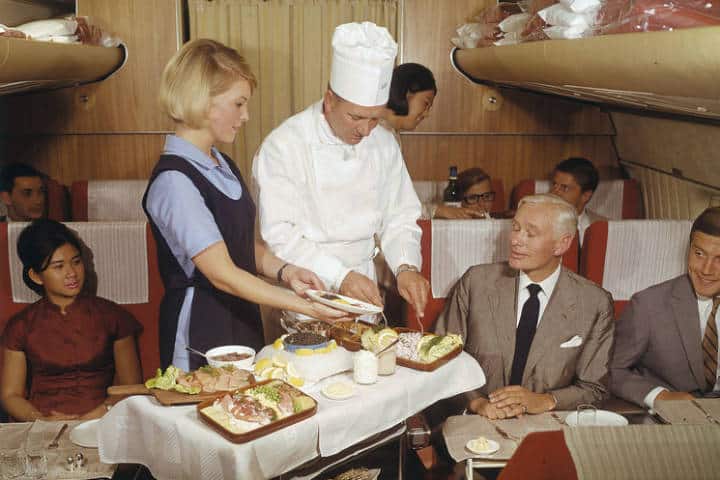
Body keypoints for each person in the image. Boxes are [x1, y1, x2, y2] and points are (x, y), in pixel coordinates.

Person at [143, 39, 347, 371]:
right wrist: (306, 306)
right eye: (238, 104)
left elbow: (236, 245)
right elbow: (222, 273)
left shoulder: (221, 163)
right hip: (200, 325)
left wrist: (286, 271)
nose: (246, 115)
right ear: (202, 100)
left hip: (240, 314)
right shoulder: (175, 181)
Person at [252, 22, 430, 320]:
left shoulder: (384, 144)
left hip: (364, 284)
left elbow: (399, 215)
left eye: (375, 118)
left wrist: (406, 266)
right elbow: (281, 235)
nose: (365, 130)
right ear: (330, 100)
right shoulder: (284, 145)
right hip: (306, 285)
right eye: (356, 117)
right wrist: (340, 276)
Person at [435, 194, 614, 418]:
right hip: (476, 419)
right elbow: (440, 357)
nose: (516, 240)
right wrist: (477, 403)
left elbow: (595, 389)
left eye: (531, 233)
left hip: (548, 422)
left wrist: (546, 401)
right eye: (516, 228)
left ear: (562, 243)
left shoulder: (594, 302)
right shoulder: (476, 282)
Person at [1, 220, 143, 421]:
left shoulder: (112, 316)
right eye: (58, 266)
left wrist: (103, 412)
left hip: (102, 421)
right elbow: (10, 395)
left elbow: (131, 386)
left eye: (76, 262)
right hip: (42, 424)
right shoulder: (21, 326)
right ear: (36, 276)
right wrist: (40, 419)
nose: (72, 273)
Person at [610, 207, 720, 408]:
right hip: (674, 419)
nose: (706, 270)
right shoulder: (648, 305)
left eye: (719, 259)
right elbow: (612, 369)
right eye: (699, 254)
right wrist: (659, 396)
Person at [550, 157, 607, 246]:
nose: (554, 192)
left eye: (564, 188)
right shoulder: (535, 222)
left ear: (586, 195)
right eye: (554, 184)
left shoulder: (606, 228)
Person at [382, 62, 436, 136]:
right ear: (405, 92)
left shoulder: (388, 132)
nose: (426, 114)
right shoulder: (373, 133)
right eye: (426, 103)